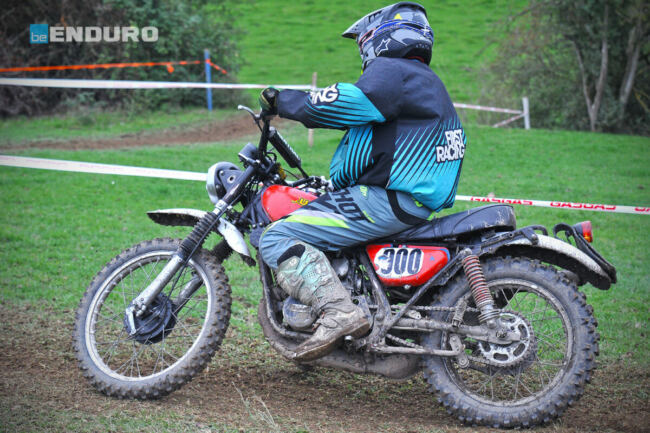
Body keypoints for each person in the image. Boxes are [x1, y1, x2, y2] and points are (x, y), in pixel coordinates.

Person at [258, 1, 467, 362]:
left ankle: (338, 311)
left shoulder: (393, 71)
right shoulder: (423, 80)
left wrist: (283, 101)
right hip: (406, 200)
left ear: (379, 37)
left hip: (385, 200)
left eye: (363, 41)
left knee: (276, 237)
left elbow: (344, 102)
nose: (362, 50)